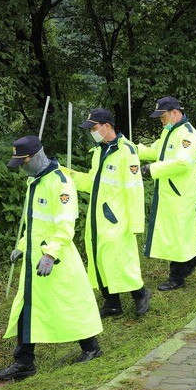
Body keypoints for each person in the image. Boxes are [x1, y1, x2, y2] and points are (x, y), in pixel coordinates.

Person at [0, 136, 104, 382]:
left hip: (55, 260)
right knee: (27, 307)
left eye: (22, 163)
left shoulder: (60, 183)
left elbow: (65, 225)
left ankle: (91, 347)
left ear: (34, 157)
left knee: (69, 303)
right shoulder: (34, 182)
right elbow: (34, 222)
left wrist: (50, 254)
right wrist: (22, 246)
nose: (21, 169)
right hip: (35, 259)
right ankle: (24, 362)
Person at [64, 109, 151, 317]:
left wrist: (136, 223)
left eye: (94, 128)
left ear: (107, 126)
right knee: (98, 259)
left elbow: (135, 189)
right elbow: (93, 183)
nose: (92, 133)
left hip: (117, 219)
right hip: (97, 218)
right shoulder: (98, 152)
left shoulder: (126, 151)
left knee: (120, 260)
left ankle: (140, 294)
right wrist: (69, 175)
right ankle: (112, 304)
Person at [137, 96, 196, 291]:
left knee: (177, 234)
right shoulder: (170, 132)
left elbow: (182, 163)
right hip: (170, 191)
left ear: (175, 113)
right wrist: (131, 149)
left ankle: (177, 277)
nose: (161, 120)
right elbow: (155, 151)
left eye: (163, 116)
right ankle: (191, 259)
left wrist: (151, 170)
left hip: (180, 192)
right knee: (180, 232)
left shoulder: (187, 135)